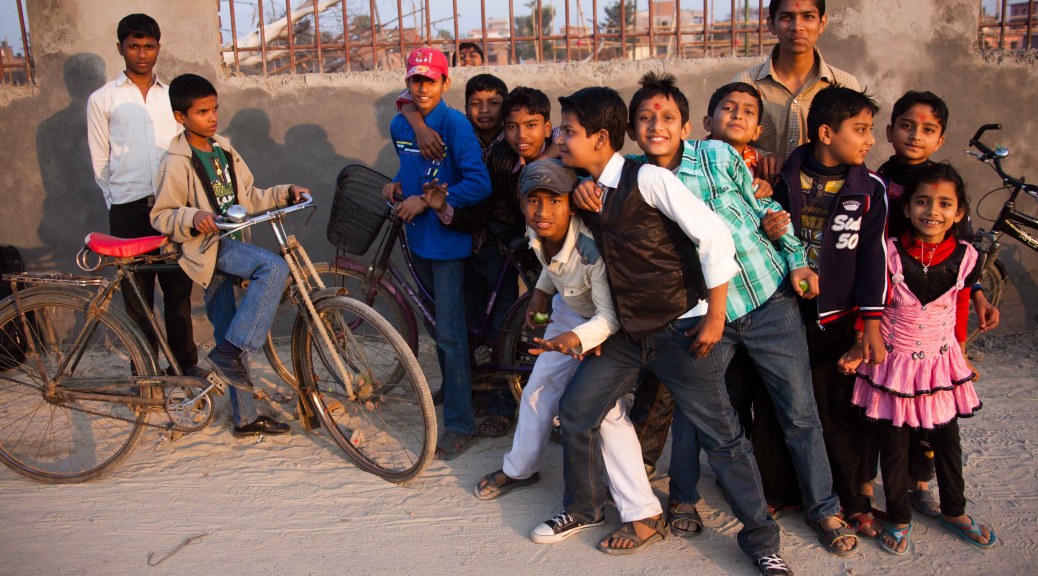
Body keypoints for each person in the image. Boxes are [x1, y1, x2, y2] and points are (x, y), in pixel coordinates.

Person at [579, 72, 854, 556]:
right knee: (697, 414)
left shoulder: (720, 156)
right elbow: (584, 174)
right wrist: (581, 187)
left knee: (799, 413)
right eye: (645, 118)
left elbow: (763, 211)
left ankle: (824, 508)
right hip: (707, 314)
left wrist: (796, 260)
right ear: (630, 129)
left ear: (687, 126)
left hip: (767, 299)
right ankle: (683, 501)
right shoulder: (630, 179)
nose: (656, 126)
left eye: (666, 117)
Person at [539, 86, 793, 574]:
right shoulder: (589, 186)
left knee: (722, 437)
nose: (559, 137)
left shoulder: (649, 178)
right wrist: (575, 189)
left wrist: (716, 315)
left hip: (681, 331)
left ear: (601, 137)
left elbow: (714, 234)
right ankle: (586, 507)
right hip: (627, 335)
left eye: (568, 131)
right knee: (575, 411)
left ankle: (762, 540)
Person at [475, 161, 657, 545]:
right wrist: (541, 291)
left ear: (571, 206)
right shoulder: (538, 229)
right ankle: (521, 469)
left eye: (554, 201)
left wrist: (575, 341)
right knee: (539, 389)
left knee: (605, 412)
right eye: (533, 201)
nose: (542, 212)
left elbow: (609, 316)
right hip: (570, 315)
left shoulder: (592, 251)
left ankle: (643, 512)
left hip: (609, 328)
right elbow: (549, 262)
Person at [855, 90, 1000, 518]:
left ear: (940, 138)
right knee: (884, 413)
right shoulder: (877, 182)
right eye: (907, 126)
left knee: (932, 416)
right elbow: (870, 254)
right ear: (890, 131)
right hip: (892, 314)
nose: (915, 136)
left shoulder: (945, 183)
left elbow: (962, 256)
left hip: (934, 325)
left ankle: (921, 485)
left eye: (928, 129)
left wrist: (976, 295)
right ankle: (869, 489)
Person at [841, 163, 997, 554]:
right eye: (922, 202)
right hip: (894, 364)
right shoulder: (888, 254)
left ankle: (955, 510)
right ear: (907, 208)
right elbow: (870, 305)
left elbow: (960, 305)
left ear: (959, 213)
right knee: (894, 443)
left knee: (947, 440)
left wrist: (961, 355)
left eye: (945, 204)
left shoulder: (966, 257)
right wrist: (860, 345)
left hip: (940, 367)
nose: (933, 211)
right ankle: (899, 516)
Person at [150, 74, 305, 437]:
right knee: (273, 266)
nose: (212, 117)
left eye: (215, 108)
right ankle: (229, 355)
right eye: (202, 112)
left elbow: (248, 198)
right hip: (208, 248)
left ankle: (245, 417)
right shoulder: (177, 162)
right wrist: (194, 216)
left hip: (229, 244)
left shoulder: (223, 150)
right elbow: (161, 215)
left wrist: (286, 192)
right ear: (180, 117)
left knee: (229, 336)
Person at [771, 85, 889, 539]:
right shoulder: (785, 176)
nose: (869, 141)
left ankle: (853, 499)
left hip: (837, 320)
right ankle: (786, 491)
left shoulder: (869, 188)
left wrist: (871, 327)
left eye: (870, 130)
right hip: (784, 312)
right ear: (825, 132)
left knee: (838, 411)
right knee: (784, 405)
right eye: (860, 130)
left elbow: (873, 259)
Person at [424, 86, 553, 437]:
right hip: (475, 245)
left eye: (493, 104)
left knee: (505, 325)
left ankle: (503, 405)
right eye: (476, 104)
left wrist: (446, 210)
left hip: (510, 248)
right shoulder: (464, 138)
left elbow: (488, 205)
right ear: (464, 108)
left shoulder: (520, 151)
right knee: (473, 321)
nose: (520, 133)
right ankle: (475, 391)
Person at [382, 47, 492, 460]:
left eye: (430, 80)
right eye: (416, 80)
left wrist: (429, 202)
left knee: (449, 332)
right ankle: (455, 391)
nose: (422, 87)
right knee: (437, 328)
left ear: (446, 83)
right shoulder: (399, 124)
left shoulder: (455, 125)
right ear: (407, 83)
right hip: (418, 239)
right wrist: (396, 185)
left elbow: (478, 183)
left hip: (447, 245)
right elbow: (411, 170)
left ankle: (462, 424)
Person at [86, 13, 199, 377]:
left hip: (174, 208)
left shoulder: (173, 97)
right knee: (137, 299)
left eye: (149, 46)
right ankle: (146, 376)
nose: (141, 54)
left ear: (158, 48)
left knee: (178, 295)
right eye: (134, 46)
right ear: (120, 48)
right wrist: (118, 199)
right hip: (128, 211)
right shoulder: (102, 99)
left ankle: (184, 370)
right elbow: (100, 160)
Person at [733, 0, 860, 159]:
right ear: (771, 24)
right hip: (758, 183)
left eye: (808, 17)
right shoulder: (745, 84)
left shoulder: (845, 86)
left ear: (822, 23)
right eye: (786, 17)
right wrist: (760, 157)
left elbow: (855, 148)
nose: (797, 27)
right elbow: (729, 145)